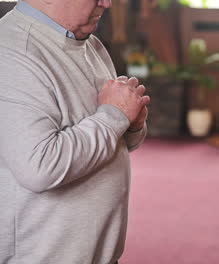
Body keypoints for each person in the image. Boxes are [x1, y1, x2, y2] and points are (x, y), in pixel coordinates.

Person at [0, 0, 150, 263]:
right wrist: (115, 116)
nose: (107, 2)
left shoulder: (90, 44)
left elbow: (109, 137)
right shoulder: (11, 50)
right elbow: (41, 166)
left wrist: (131, 124)